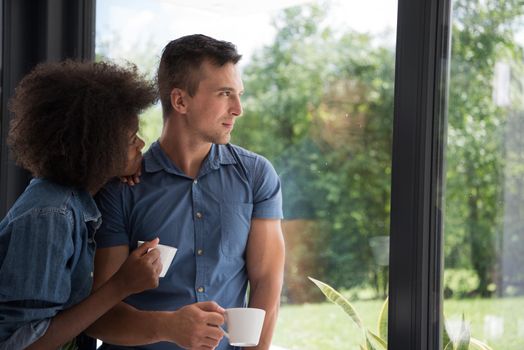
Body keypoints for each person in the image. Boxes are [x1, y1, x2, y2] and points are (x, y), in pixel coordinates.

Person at [87, 34, 286, 350]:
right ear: (180, 101)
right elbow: (99, 313)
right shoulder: (121, 189)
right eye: (224, 94)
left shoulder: (256, 175)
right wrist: (168, 327)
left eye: (238, 94)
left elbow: (267, 283)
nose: (238, 109)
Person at [0, 60, 162, 349]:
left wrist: (110, 176)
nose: (141, 143)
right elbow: (24, 345)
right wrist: (121, 285)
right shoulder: (50, 216)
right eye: (129, 140)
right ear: (94, 148)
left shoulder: (70, 201)